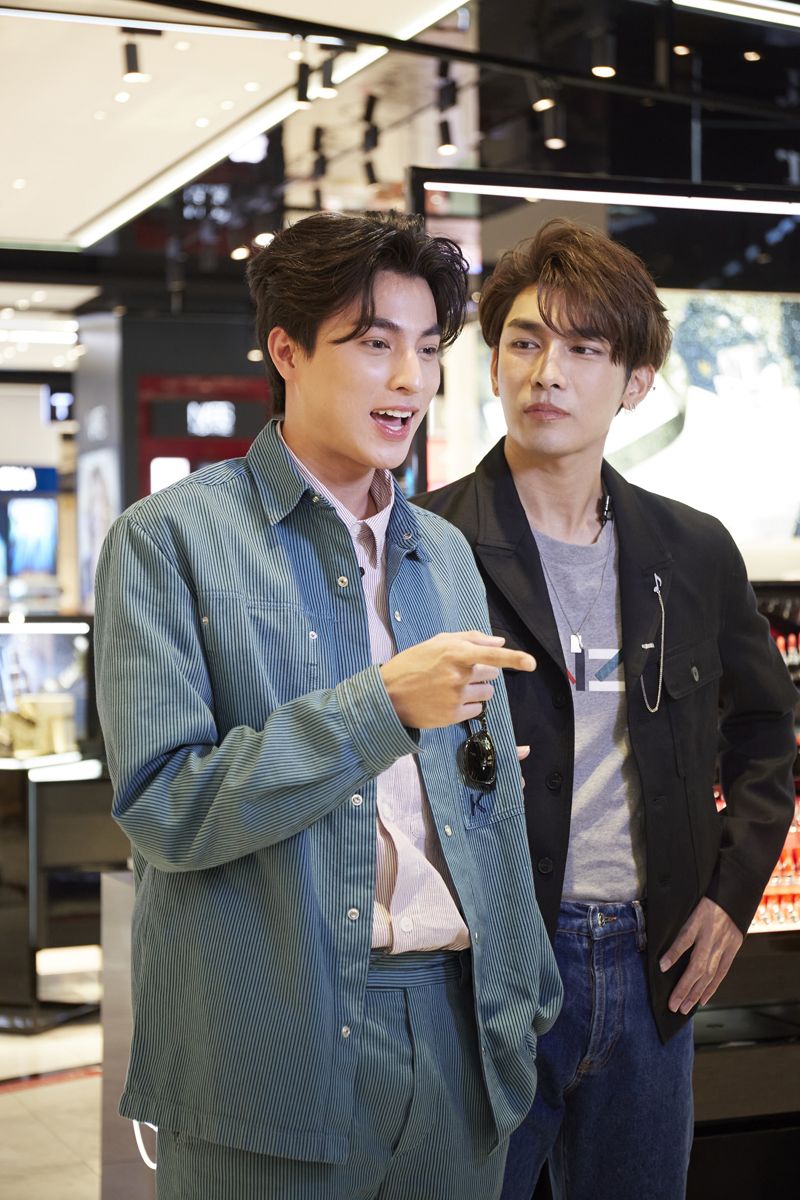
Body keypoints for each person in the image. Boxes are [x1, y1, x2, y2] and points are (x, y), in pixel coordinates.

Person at [93, 210, 562, 1200]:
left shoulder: (444, 555)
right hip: (270, 1040)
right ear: (287, 352)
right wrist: (378, 708)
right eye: (374, 344)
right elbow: (165, 808)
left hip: (460, 1032)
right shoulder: (168, 540)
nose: (410, 381)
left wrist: (525, 1003)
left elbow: (486, 807)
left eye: (428, 350)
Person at [414, 218, 797, 1200]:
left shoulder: (692, 549)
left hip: (649, 962)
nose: (547, 372)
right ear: (493, 361)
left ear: (633, 383)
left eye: (585, 349)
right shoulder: (427, 544)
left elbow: (764, 731)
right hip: (482, 966)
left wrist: (731, 895)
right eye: (525, 341)